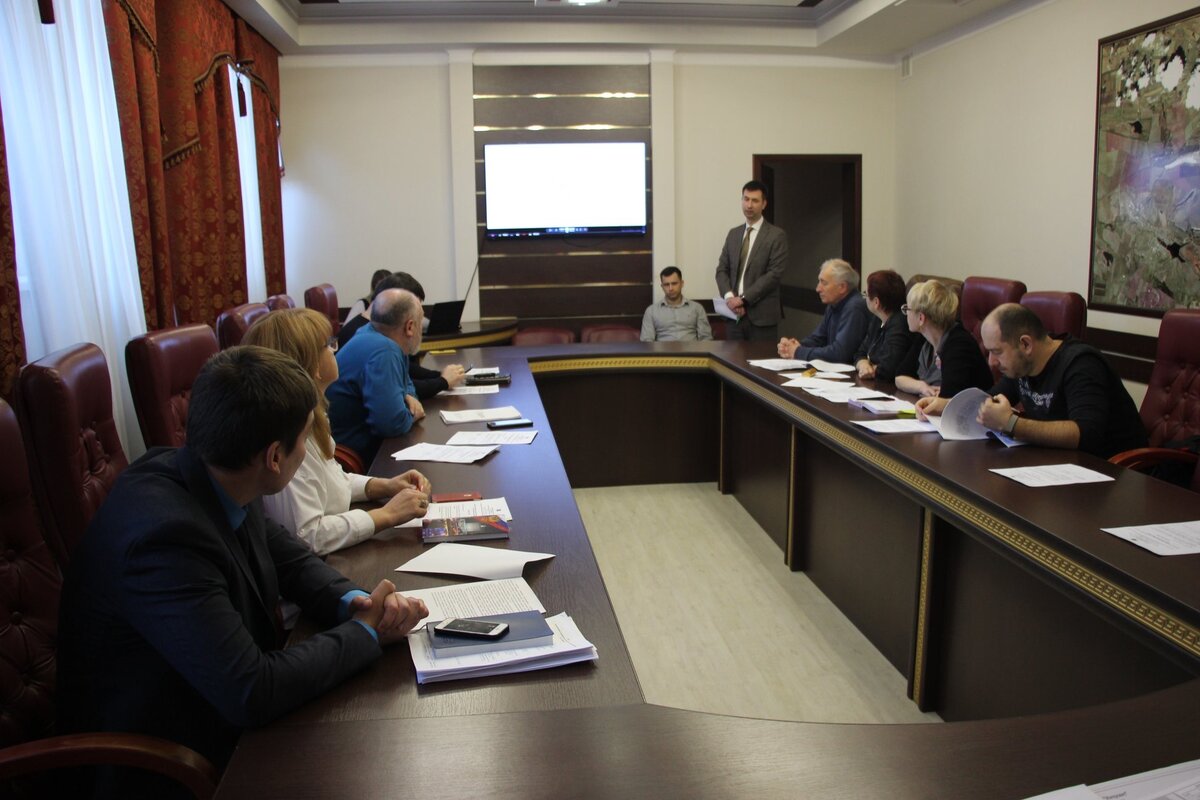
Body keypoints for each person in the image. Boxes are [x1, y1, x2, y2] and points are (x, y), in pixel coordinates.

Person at [55, 346, 429, 797]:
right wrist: (365, 633)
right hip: (160, 761)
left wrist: (357, 602)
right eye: (305, 439)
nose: (308, 451)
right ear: (274, 458)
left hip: (212, 706)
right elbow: (252, 690)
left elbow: (289, 558)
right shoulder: (166, 538)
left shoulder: (218, 471)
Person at [244, 308, 432, 555]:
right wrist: (386, 515)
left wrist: (384, 485)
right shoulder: (288, 435)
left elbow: (330, 483)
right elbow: (308, 536)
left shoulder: (313, 414)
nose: (335, 350)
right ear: (312, 364)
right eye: (328, 345)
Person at [917, 303, 1148, 458]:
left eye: (996, 352)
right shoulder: (1023, 366)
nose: (991, 362)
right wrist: (945, 405)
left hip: (1112, 473)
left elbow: (1086, 434)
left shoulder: (1081, 364)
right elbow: (991, 400)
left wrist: (1011, 424)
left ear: (1025, 344)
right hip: (1058, 467)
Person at [327, 288, 427, 465]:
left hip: (357, 445)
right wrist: (413, 414)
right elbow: (392, 424)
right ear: (410, 327)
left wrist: (408, 396)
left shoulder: (373, 334)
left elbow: (407, 384)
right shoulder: (385, 351)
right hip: (355, 456)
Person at [338, 271, 466, 398]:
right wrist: (442, 381)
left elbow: (406, 370)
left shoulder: (378, 329)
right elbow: (395, 387)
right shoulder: (364, 336)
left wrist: (440, 375)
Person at [715, 180, 789, 342]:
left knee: (760, 358)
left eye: (755, 201)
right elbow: (722, 270)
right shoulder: (733, 234)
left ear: (764, 204)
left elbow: (774, 274)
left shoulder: (776, 235)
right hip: (733, 315)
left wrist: (742, 300)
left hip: (762, 318)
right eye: (746, 199)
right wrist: (730, 298)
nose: (749, 205)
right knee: (732, 358)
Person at [893, 279, 990, 399]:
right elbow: (900, 377)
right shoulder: (924, 338)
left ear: (921, 318)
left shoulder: (959, 345)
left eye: (908, 309)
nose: (906, 314)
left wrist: (935, 396)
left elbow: (948, 397)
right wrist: (922, 386)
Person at [777, 259, 872, 364]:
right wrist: (794, 346)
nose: (818, 289)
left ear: (842, 287)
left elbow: (840, 353)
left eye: (824, 283)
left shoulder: (855, 307)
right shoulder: (834, 303)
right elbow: (818, 339)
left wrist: (798, 352)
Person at [852, 269, 919, 381]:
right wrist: (863, 365)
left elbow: (889, 369)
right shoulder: (877, 319)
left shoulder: (900, 324)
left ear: (876, 302)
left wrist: (871, 370)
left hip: (890, 386)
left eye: (866, 294)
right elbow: (860, 352)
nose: (865, 298)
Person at [641, 266, 713, 342]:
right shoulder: (651, 311)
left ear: (682, 284)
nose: (671, 288)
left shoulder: (697, 308)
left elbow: (706, 338)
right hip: (663, 349)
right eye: (666, 284)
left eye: (674, 283)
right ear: (662, 287)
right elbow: (647, 341)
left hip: (691, 349)